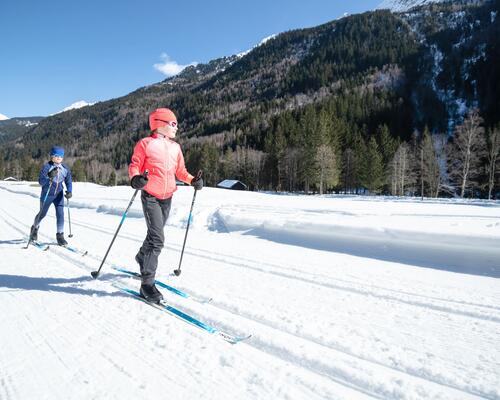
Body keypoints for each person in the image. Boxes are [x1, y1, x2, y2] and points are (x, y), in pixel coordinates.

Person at [129, 108, 203, 303]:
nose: (176, 128)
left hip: (167, 196)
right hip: (150, 195)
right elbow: (135, 165)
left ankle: (141, 257)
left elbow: (181, 171)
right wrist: (135, 178)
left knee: (155, 234)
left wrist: (192, 180)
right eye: (173, 124)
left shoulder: (175, 147)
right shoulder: (145, 144)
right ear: (160, 124)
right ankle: (147, 284)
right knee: (157, 239)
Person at [30, 146, 73, 246]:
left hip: (59, 194)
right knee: (42, 213)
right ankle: (34, 229)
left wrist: (69, 191)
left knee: (60, 214)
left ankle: (60, 235)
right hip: (47, 194)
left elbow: (68, 180)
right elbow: (41, 181)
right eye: (56, 156)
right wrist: (49, 176)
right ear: (51, 157)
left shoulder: (65, 168)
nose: (58, 158)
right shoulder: (47, 167)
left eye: (60, 156)